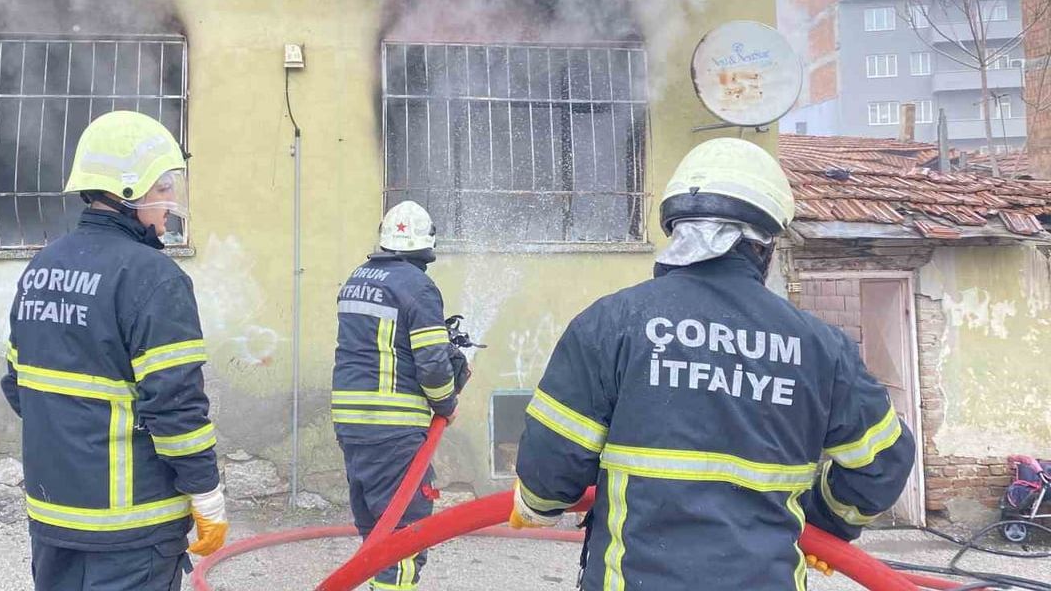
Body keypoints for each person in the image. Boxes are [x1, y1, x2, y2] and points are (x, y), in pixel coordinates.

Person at [509, 137, 915, 589]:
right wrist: (827, 521)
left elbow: (552, 465)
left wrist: (536, 504)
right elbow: (883, 465)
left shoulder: (612, 323)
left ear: (677, 231)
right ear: (764, 246)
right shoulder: (820, 347)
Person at [1, 111, 226, 591]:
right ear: (128, 192)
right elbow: (176, 406)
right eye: (163, 188)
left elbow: (17, 385)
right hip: (132, 526)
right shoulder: (154, 278)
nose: (169, 205)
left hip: (54, 515)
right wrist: (205, 490)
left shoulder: (42, 267)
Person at [331, 200, 470, 591]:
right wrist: (446, 402)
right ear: (424, 250)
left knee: (375, 527)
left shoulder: (356, 278)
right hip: (393, 429)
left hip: (351, 424)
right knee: (405, 532)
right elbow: (430, 362)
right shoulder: (418, 285)